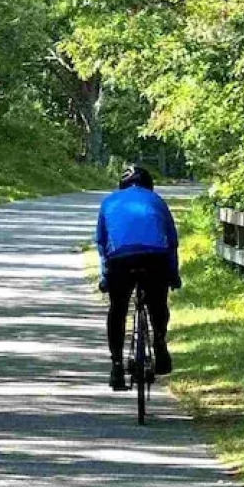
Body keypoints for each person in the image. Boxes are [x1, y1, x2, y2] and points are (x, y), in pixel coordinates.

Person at [95, 166, 181, 391]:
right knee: (158, 303)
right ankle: (160, 344)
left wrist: (106, 277)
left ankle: (116, 367)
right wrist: (173, 274)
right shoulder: (156, 200)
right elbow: (171, 242)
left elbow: (102, 244)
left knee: (118, 309)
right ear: (148, 184)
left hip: (120, 260)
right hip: (155, 257)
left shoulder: (109, 202)